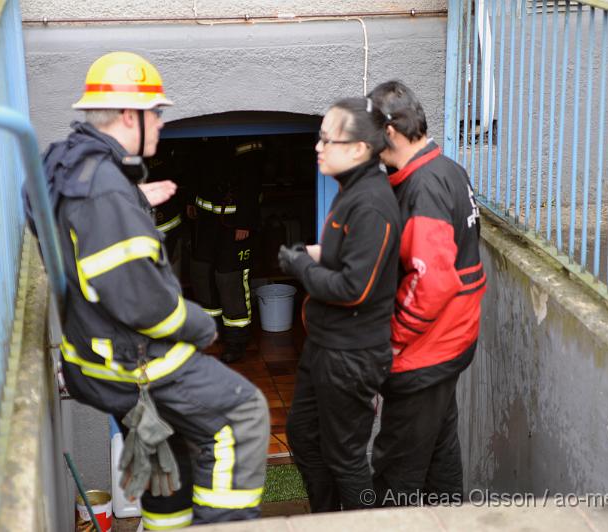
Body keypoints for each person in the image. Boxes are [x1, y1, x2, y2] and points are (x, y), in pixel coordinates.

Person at [27, 51, 269, 526]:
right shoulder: (105, 190)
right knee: (243, 414)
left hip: (88, 355)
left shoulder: (66, 163)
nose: (160, 123)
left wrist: (131, 199)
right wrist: (201, 325)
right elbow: (143, 302)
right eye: (155, 113)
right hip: (125, 359)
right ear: (127, 115)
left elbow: (62, 220)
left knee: (172, 448)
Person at [278, 97, 401, 512]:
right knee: (304, 436)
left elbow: (354, 287)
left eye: (328, 139)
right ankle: (325, 519)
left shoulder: (371, 203)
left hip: (351, 355)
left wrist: (299, 267)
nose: (318, 146)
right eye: (319, 137)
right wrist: (313, 253)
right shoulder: (349, 192)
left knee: (346, 457)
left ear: (359, 149)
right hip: (326, 346)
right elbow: (347, 256)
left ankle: (363, 521)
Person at [367, 80, 485, 505]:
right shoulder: (448, 169)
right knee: (440, 456)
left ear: (392, 133)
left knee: (396, 474)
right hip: (451, 346)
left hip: (424, 353)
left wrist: (390, 341)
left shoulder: (424, 189)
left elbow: (431, 283)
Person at [187, 138, 263, 363]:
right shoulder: (203, 135)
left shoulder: (243, 136)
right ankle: (211, 332)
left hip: (234, 224)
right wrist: (191, 199)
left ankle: (237, 340)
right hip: (206, 220)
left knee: (230, 279)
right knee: (202, 273)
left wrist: (245, 221)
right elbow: (194, 167)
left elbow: (252, 177)